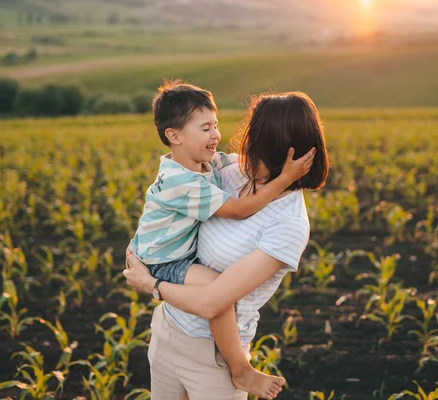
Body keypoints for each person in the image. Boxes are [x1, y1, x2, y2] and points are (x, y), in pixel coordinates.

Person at [124, 91, 329, 400]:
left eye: (256, 144)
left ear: (280, 153)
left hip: (214, 361)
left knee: (215, 288)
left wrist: (150, 283)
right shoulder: (228, 171)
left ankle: (242, 371)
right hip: (168, 333)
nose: (241, 148)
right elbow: (193, 196)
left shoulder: (288, 225)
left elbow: (211, 303)